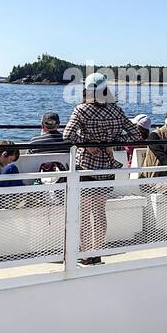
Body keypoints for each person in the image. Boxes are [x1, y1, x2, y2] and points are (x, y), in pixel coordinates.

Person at [62, 73, 145, 265]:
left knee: (83, 213)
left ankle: (85, 255)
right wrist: (111, 142)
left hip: (86, 167)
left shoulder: (81, 110)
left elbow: (68, 135)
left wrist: (88, 143)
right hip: (107, 166)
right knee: (99, 212)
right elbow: (134, 134)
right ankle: (97, 253)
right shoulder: (116, 110)